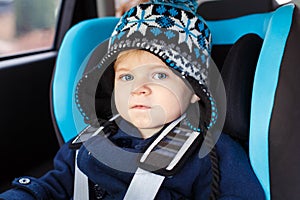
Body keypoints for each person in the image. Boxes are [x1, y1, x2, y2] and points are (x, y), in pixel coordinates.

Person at [0, 0, 266, 199]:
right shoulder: (88, 142)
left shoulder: (213, 154)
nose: (140, 88)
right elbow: (51, 187)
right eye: (126, 78)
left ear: (195, 90)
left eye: (160, 75)